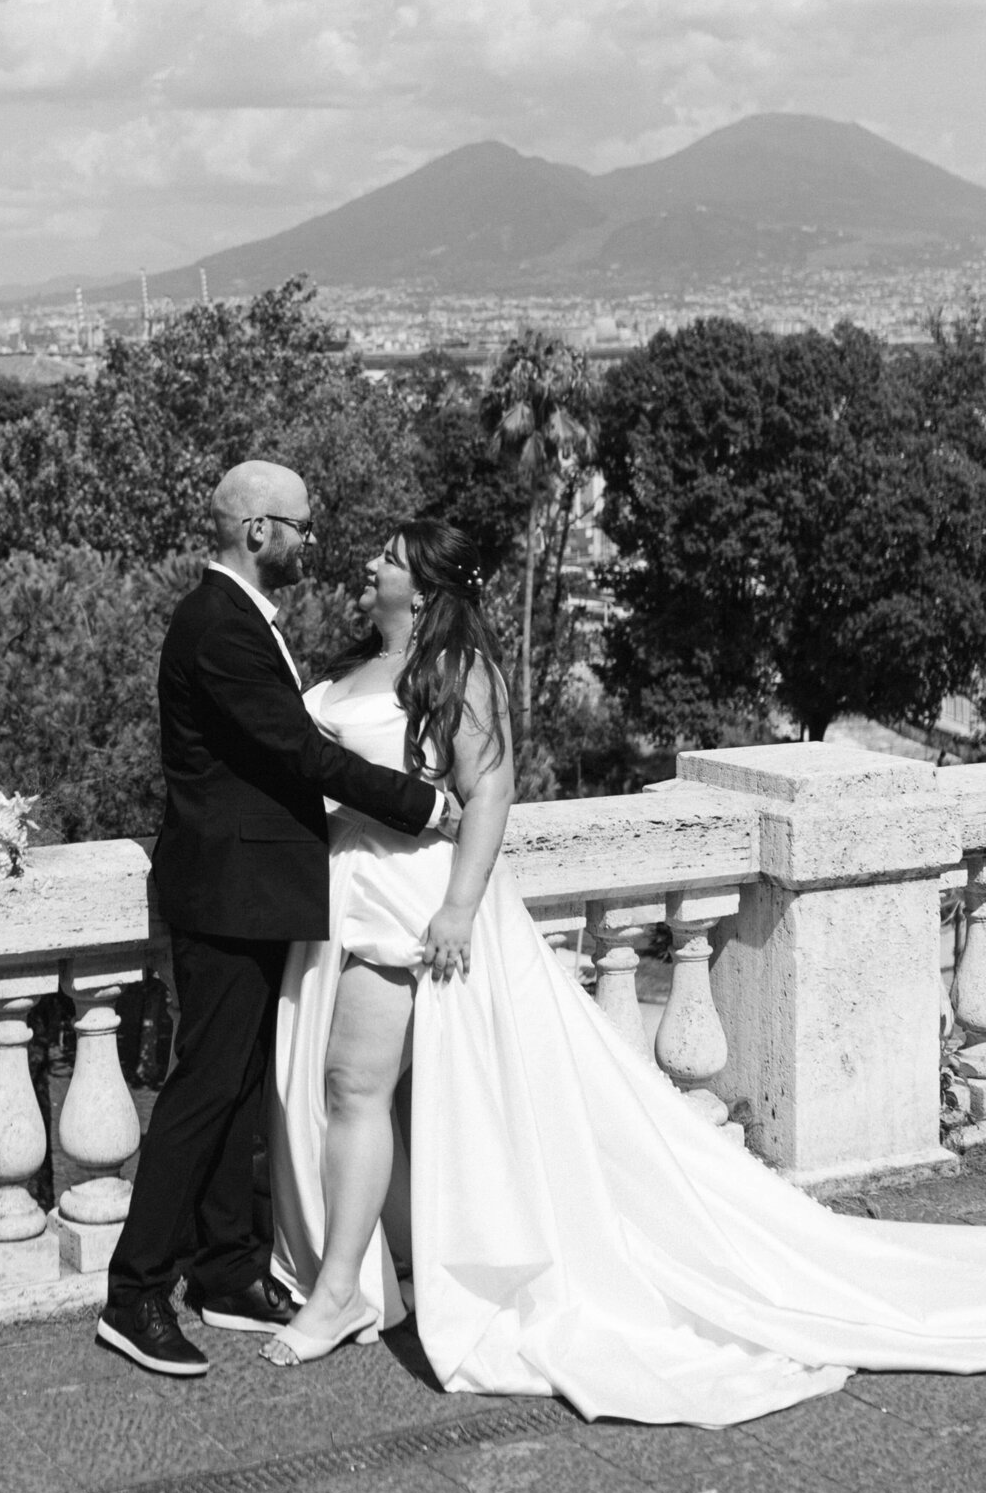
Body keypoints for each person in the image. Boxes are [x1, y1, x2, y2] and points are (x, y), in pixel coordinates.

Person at [263, 518, 986, 1428]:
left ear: (427, 585)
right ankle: (380, 1277)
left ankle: (340, 1296)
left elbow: (490, 795)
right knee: (371, 1098)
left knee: (353, 1089)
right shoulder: (356, 660)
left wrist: (454, 909)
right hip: (340, 894)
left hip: (406, 904)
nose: (369, 565)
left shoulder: (458, 672)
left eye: (389, 560)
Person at [98, 463, 447, 1379]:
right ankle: (133, 1294)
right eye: (300, 528)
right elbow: (297, 752)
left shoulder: (239, 619)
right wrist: (418, 806)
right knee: (203, 1088)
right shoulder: (217, 625)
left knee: (242, 1083)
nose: (311, 543)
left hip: (254, 891)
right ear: (259, 531)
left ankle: (225, 1273)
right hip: (227, 892)